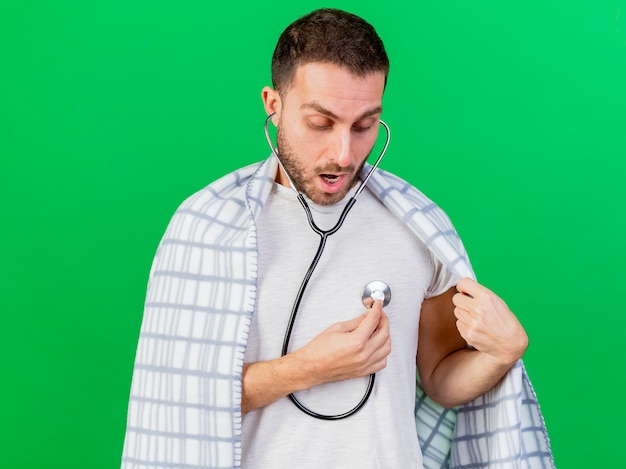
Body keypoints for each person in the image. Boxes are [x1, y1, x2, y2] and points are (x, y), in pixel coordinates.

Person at [120, 8, 553, 469]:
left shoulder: (418, 225)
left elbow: (441, 381)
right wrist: (308, 368)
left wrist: (503, 352)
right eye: (321, 123)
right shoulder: (208, 227)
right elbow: (178, 401)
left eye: (364, 125)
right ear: (273, 104)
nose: (343, 154)